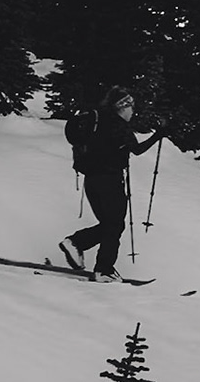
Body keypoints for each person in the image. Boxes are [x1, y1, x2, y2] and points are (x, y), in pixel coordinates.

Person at [59, 86, 167, 282]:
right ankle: (102, 268)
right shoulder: (118, 125)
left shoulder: (98, 121)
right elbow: (137, 149)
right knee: (114, 225)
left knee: (111, 225)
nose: (133, 111)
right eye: (131, 107)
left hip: (91, 181)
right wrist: (158, 135)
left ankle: (78, 244)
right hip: (110, 181)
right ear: (122, 107)